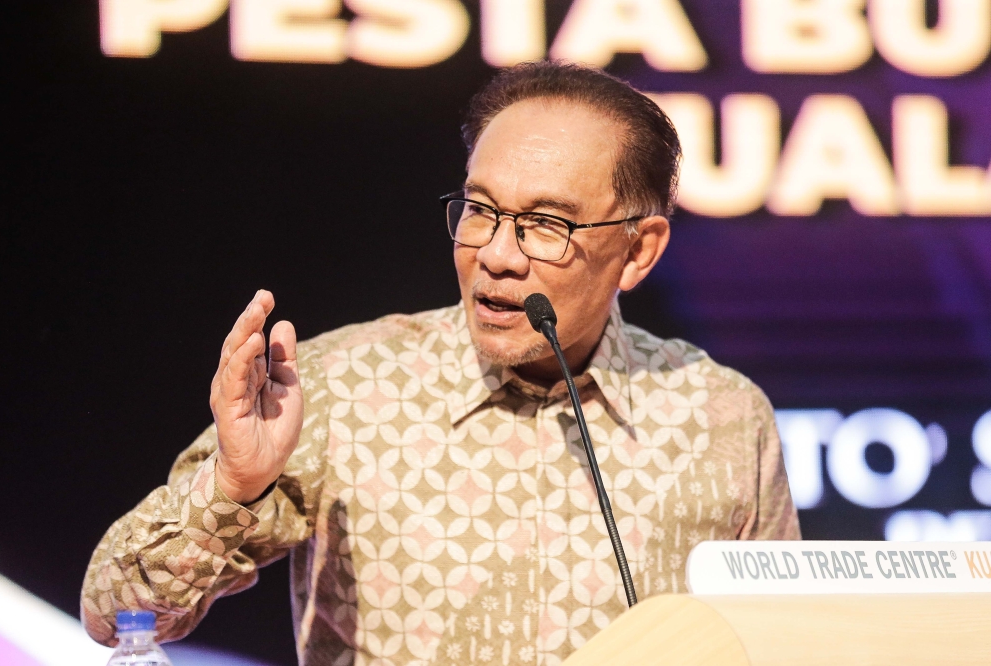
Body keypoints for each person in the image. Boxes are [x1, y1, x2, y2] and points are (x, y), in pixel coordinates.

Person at [81, 61, 799, 666]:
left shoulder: (722, 419)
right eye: (481, 210)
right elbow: (115, 616)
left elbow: (788, 649)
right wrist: (232, 488)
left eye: (546, 225)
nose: (496, 255)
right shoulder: (343, 389)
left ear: (639, 249)